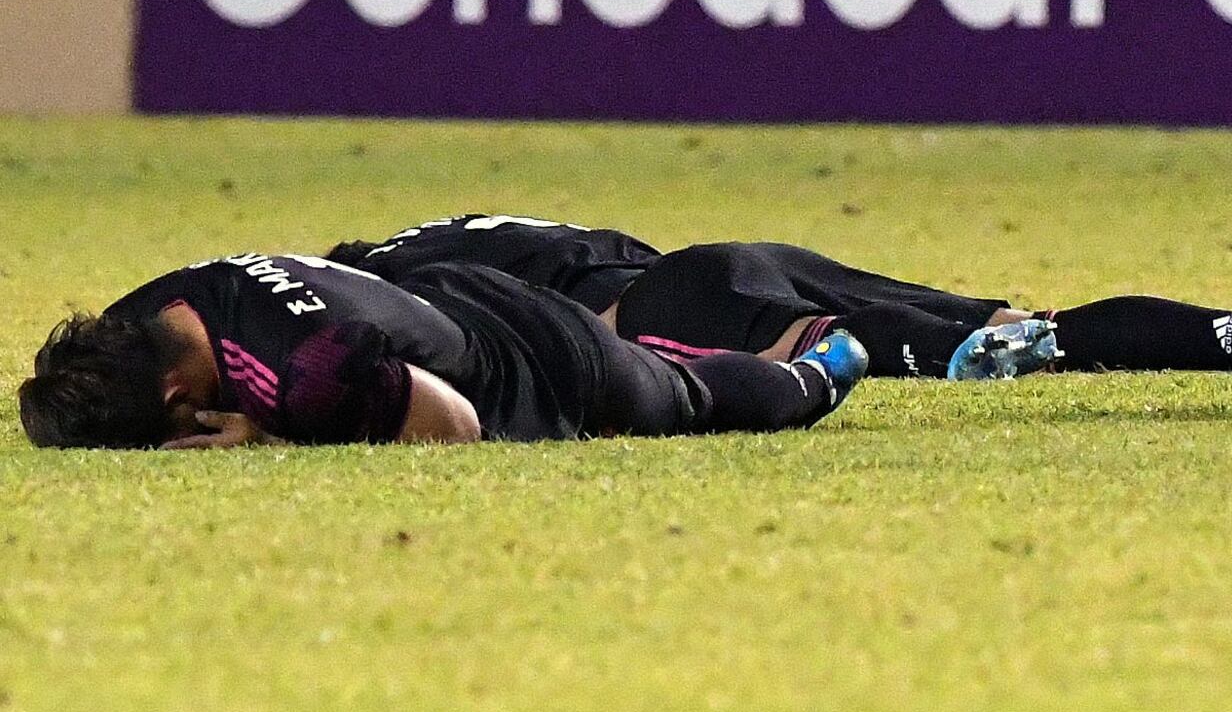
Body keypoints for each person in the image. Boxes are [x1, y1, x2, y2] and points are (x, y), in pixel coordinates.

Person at [324, 214, 1232, 384]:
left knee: (987, 362)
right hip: (740, 257)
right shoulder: (496, 223)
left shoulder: (404, 280)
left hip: (679, 306)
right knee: (1033, 330)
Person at [17, 250, 866, 450]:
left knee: (685, 401)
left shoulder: (305, 378)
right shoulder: (148, 312)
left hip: (536, 356)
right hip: (440, 294)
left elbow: (455, 427)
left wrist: (271, 442)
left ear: (176, 403)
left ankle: (816, 372)